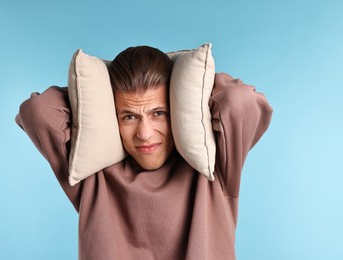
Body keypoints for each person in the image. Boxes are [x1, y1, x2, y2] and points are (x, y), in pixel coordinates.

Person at [16, 46, 273, 260]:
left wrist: (189, 83)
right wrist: (95, 87)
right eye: (129, 116)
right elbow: (38, 112)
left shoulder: (215, 165)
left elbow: (242, 102)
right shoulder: (91, 173)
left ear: (178, 107)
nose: (145, 133)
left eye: (158, 113)